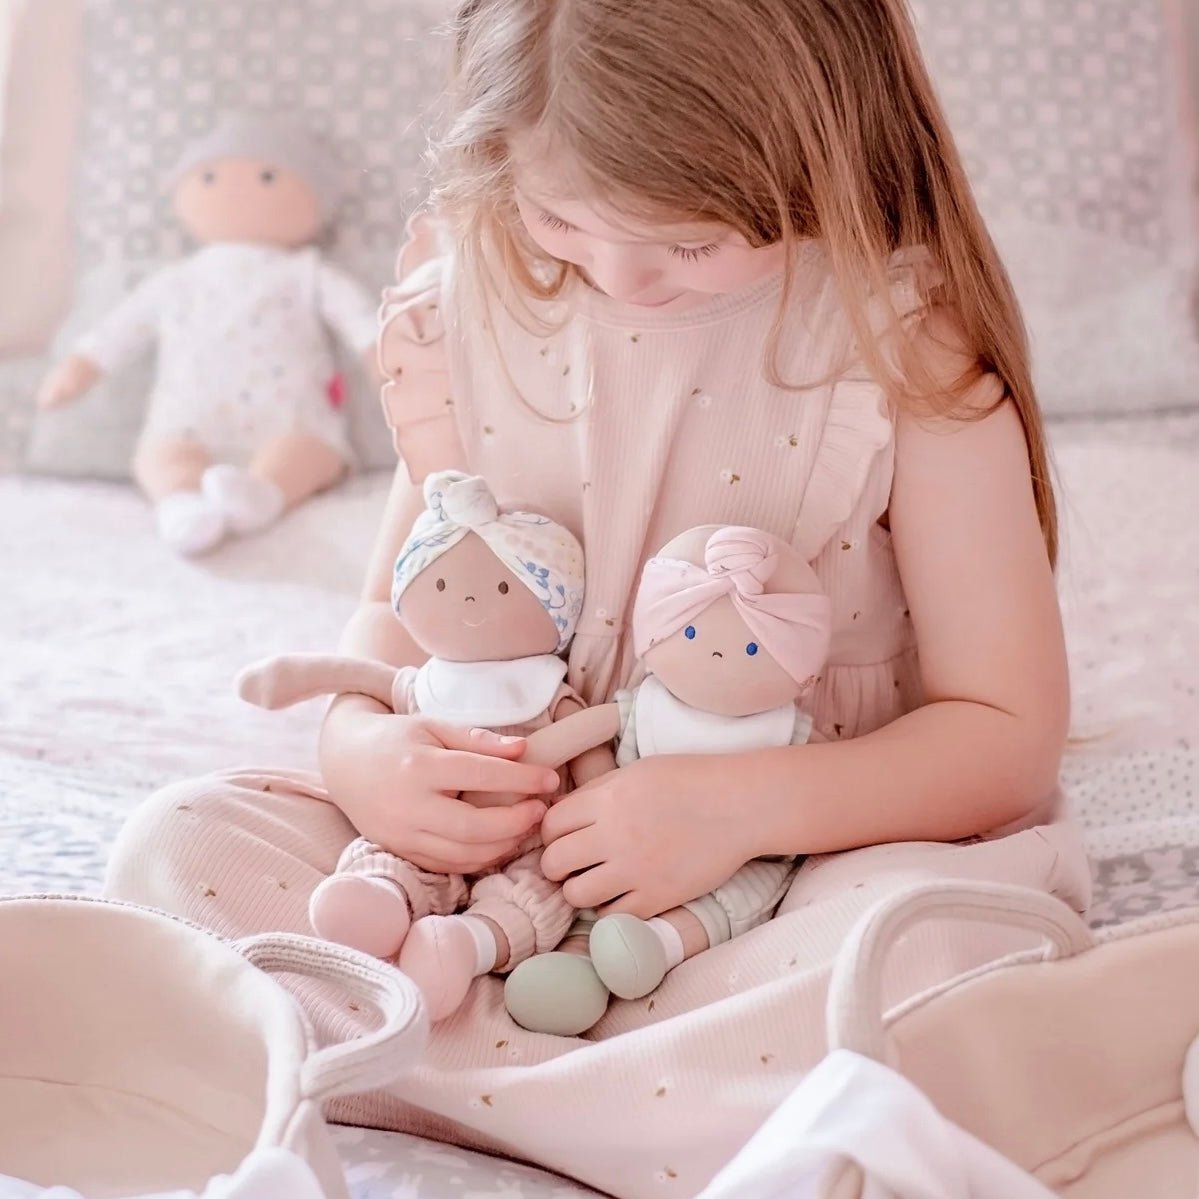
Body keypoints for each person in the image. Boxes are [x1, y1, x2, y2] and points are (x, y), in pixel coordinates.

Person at [105, 0, 1089, 1152]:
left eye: (691, 241)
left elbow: (1005, 734)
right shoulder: (464, 300)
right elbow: (396, 607)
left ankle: (395, 1059)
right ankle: (672, 1118)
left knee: (934, 963)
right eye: (560, 214)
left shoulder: (897, 340)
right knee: (175, 851)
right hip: (482, 876)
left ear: (825, 148)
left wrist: (735, 806)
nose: (625, 276)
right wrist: (361, 753)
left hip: (780, 868)